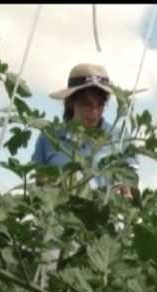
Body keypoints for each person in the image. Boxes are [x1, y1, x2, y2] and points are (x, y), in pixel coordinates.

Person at [32, 63, 138, 197]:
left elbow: (129, 190)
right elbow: (39, 188)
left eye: (100, 105)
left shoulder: (120, 137)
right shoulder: (49, 137)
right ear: (71, 102)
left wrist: (124, 194)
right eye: (86, 105)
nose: (94, 113)